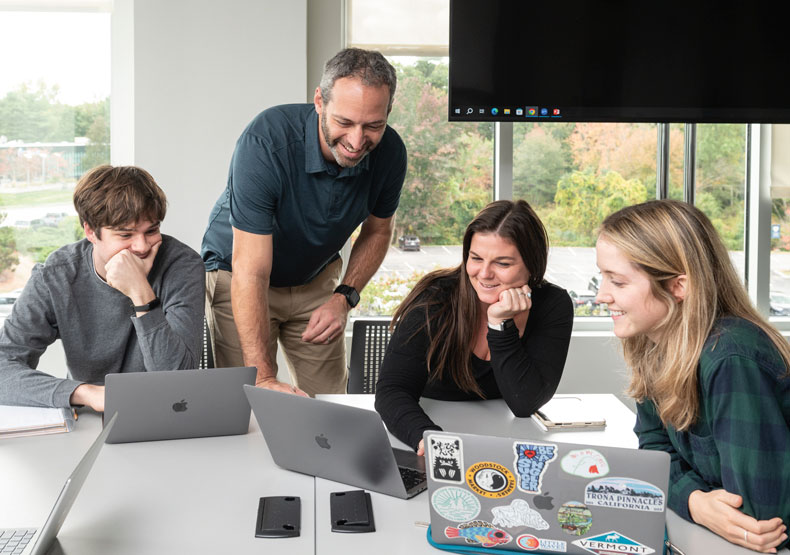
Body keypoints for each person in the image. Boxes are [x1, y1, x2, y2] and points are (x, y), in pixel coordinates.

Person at [200, 48, 406, 397]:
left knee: (330, 404)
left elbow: (378, 230)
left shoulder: (390, 153)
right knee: (246, 399)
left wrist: (344, 297)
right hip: (240, 275)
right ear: (319, 102)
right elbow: (250, 269)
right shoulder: (266, 141)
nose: (357, 142)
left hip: (314, 280)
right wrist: (264, 378)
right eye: (344, 122)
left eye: (373, 125)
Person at [595, 200, 790, 553]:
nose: (600, 296)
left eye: (618, 282)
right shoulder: (652, 343)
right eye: (603, 277)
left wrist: (684, 491)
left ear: (677, 287)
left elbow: (757, 517)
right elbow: (653, 450)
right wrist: (697, 502)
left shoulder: (731, 356)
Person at [375, 200, 574, 455]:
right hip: (430, 431)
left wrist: (500, 325)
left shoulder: (552, 305)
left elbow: (525, 404)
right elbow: (392, 391)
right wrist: (430, 439)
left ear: (532, 265)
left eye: (502, 263)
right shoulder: (435, 297)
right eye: (476, 258)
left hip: (505, 439)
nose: (484, 273)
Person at [0, 165, 205, 412]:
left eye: (151, 231)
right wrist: (85, 392)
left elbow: (179, 382)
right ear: (90, 231)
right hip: (89, 417)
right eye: (125, 235)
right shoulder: (57, 275)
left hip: (168, 414)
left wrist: (141, 294)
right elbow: (4, 368)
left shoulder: (182, 266)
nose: (141, 246)